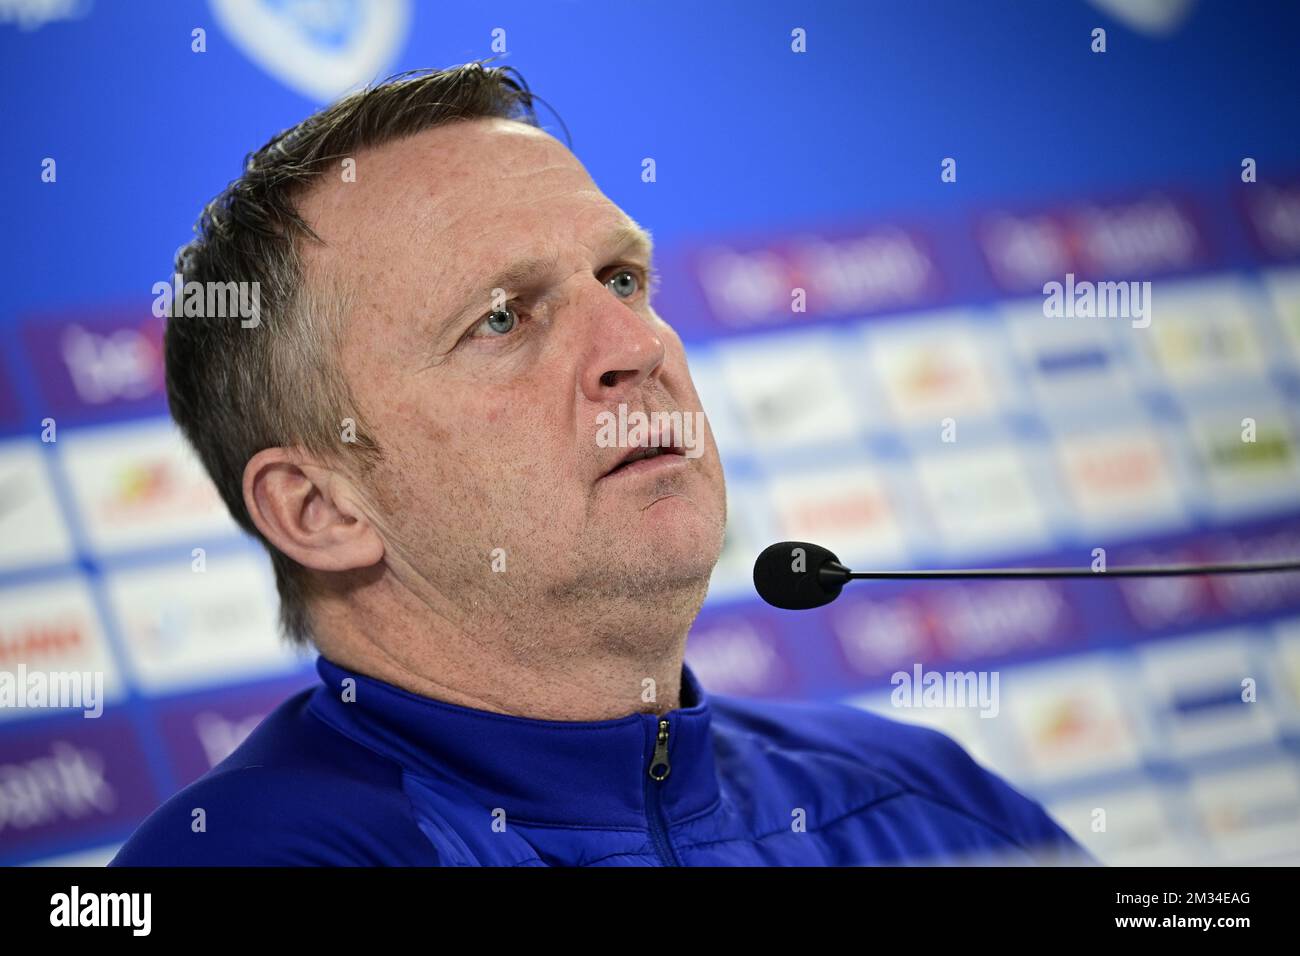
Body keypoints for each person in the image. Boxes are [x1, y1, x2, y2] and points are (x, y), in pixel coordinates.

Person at [110, 61, 1095, 866]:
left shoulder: (930, 803)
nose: (636, 342)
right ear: (319, 506)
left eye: (622, 277)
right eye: (500, 316)